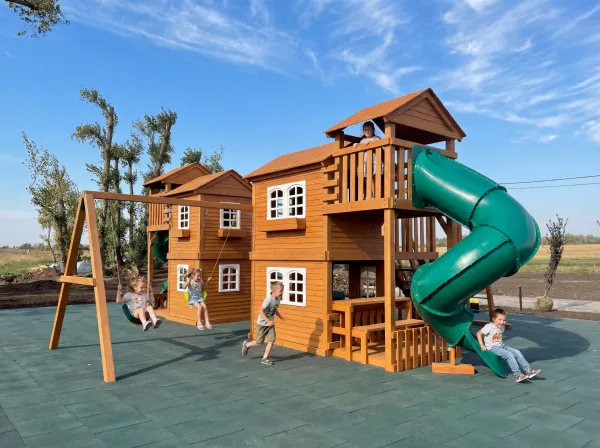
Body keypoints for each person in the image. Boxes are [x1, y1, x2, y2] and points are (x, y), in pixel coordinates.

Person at [477, 308, 541, 383]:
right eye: (500, 320)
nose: (502, 322)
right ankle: (518, 375)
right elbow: (479, 333)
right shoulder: (489, 326)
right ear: (493, 319)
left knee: (517, 352)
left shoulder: (502, 326)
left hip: (501, 346)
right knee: (509, 355)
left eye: (504, 320)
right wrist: (482, 345)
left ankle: (528, 371)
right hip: (492, 347)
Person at [241, 281, 285, 366]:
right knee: (259, 342)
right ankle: (247, 345)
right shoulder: (268, 300)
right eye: (281, 291)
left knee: (271, 340)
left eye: (282, 290)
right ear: (274, 291)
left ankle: (264, 358)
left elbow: (274, 309)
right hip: (262, 324)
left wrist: (280, 316)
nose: (282, 292)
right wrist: (267, 321)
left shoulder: (278, 299)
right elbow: (260, 311)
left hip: (270, 325)